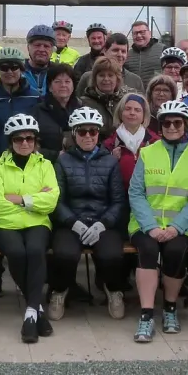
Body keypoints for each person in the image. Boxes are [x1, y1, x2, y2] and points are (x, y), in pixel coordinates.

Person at [127, 99, 188, 343]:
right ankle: (147, 314)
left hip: (180, 227)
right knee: (148, 251)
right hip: (145, 225)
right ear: (159, 126)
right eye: (166, 123)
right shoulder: (147, 152)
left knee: (174, 251)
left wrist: (175, 228)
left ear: (185, 125)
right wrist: (151, 227)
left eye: (177, 122)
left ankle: (170, 309)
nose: (172, 126)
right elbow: (136, 192)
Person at [0, 113, 60, 343]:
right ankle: (36, 310)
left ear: (36, 141)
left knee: (36, 251)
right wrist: (35, 201)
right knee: (17, 253)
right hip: (5, 225)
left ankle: (30, 313)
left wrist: (19, 200)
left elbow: (52, 200)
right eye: (19, 139)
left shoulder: (45, 165)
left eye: (29, 138)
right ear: (10, 142)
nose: (25, 143)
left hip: (38, 223)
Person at [51, 107, 128, 319]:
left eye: (92, 132)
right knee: (64, 254)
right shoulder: (63, 161)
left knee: (111, 255)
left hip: (101, 220)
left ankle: (114, 290)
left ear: (98, 134)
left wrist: (103, 223)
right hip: (72, 221)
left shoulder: (110, 161)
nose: (88, 136)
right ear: (74, 134)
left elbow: (118, 200)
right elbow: (57, 199)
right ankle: (60, 291)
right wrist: (72, 222)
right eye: (82, 132)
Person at [0, 46, 40, 164]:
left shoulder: (36, 98)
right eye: (4, 68)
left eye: (14, 67)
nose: (9, 72)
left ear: (21, 70)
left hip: (29, 163)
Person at [76, 56, 131, 139]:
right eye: (101, 75)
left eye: (110, 75)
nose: (106, 79)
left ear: (117, 78)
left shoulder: (125, 102)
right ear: (95, 78)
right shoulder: (83, 103)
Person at [34, 63, 80, 159]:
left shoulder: (81, 109)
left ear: (73, 86)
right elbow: (30, 145)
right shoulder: (37, 112)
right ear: (50, 87)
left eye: (67, 81)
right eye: (57, 82)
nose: (63, 85)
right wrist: (55, 155)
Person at [23, 24, 56, 93]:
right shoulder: (17, 71)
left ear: (52, 49)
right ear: (28, 47)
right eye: (37, 45)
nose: (41, 49)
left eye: (46, 46)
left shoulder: (58, 72)